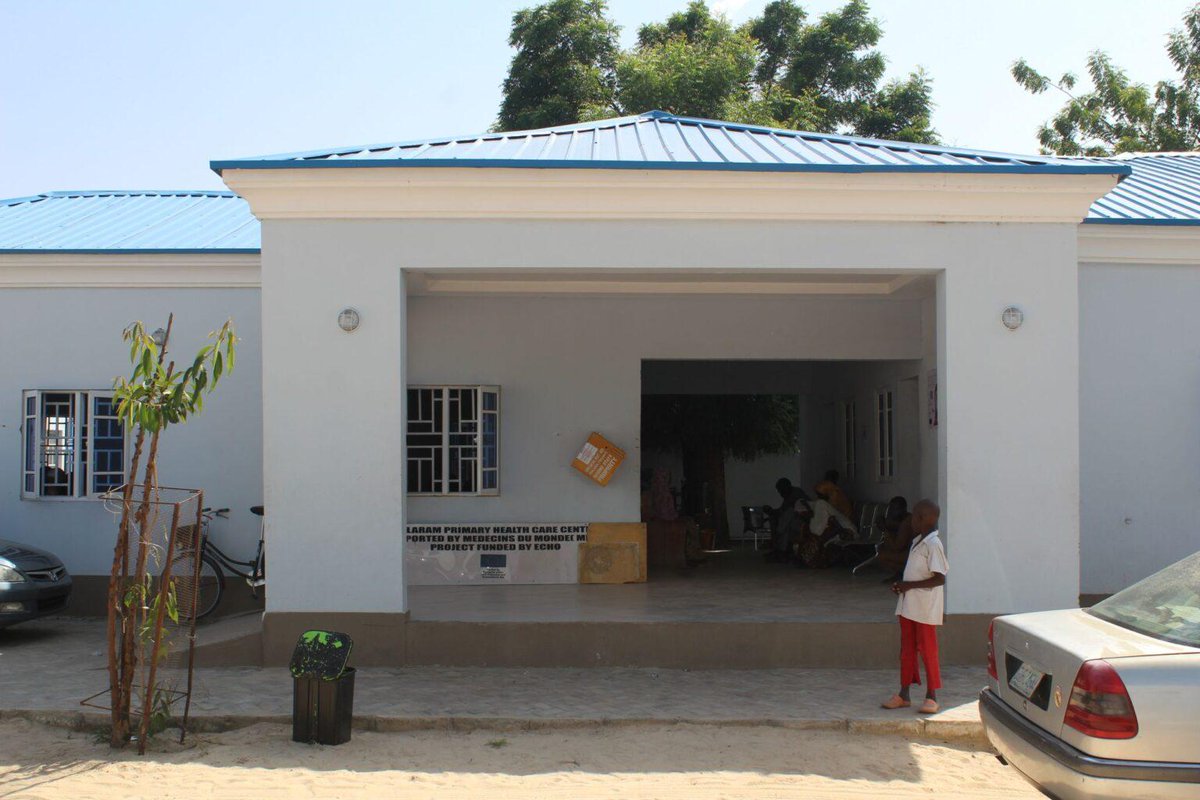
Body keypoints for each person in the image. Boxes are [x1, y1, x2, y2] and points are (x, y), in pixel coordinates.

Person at [881, 499, 947, 714]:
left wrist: (909, 585)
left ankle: (932, 696)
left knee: (928, 650)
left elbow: (939, 579)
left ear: (922, 519)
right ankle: (904, 694)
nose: (910, 521)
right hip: (909, 606)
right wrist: (903, 586)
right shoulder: (918, 541)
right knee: (907, 650)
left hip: (925, 608)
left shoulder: (934, 545)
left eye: (914, 517)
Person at [875, 496, 915, 581]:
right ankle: (900, 574)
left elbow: (897, 547)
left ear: (904, 509)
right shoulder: (901, 520)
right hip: (908, 552)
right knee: (881, 548)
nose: (892, 512)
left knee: (882, 557)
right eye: (891, 509)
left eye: (895, 509)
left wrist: (885, 530)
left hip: (913, 554)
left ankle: (906, 573)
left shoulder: (906, 522)